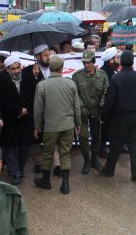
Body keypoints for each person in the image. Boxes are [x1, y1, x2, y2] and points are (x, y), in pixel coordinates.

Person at [33, 56, 81, 194]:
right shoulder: (70, 84)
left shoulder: (42, 85)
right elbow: (76, 107)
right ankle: (65, 184)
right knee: (65, 153)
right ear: (61, 68)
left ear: (50, 68)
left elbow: (38, 109)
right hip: (67, 125)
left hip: (50, 127)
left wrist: (37, 127)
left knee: (48, 154)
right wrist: (77, 123)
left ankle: (46, 181)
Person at [99, 51, 136, 183]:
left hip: (120, 117)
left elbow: (110, 100)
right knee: (134, 146)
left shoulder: (116, 78)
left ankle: (109, 170)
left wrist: (103, 115)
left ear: (120, 62)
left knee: (115, 145)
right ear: (132, 62)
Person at [0, 56, 34, 185]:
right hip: (10, 119)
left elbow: (33, 96)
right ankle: (14, 173)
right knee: (11, 148)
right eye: (13, 69)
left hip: (26, 119)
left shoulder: (28, 78)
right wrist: (18, 111)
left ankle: (19, 169)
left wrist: (26, 109)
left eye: (18, 68)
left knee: (24, 148)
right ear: (7, 69)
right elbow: (2, 101)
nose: (16, 71)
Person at [72, 50, 108, 175]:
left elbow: (105, 92)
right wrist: (81, 107)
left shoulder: (103, 76)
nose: (86, 65)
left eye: (88, 63)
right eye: (84, 63)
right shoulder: (77, 76)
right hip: (83, 112)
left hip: (96, 112)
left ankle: (94, 159)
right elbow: (75, 94)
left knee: (96, 136)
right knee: (83, 137)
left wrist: (102, 107)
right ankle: (86, 160)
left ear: (93, 62)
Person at [21, 44, 50, 174]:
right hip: (34, 111)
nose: (48, 57)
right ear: (37, 57)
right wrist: (33, 77)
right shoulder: (27, 71)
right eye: (45, 55)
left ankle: (54, 164)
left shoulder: (53, 68)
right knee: (35, 138)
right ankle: (38, 163)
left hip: (50, 110)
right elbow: (25, 93)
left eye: (49, 55)